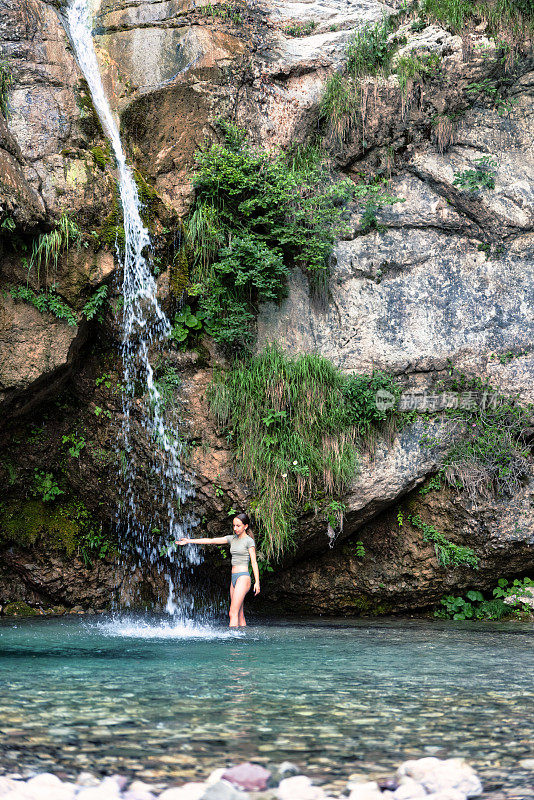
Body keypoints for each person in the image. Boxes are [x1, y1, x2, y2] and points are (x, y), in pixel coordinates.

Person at [175, 513, 260, 627]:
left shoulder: (249, 541)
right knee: (239, 614)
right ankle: (242, 641)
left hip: (243, 578)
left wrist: (257, 582)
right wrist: (189, 541)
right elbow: (211, 541)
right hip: (234, 579)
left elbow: (254, 562)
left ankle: (232, 641)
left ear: (245, 526)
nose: (235, 528)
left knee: (232, 613)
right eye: (234, 525)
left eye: (238, 526)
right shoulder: (231, 539)